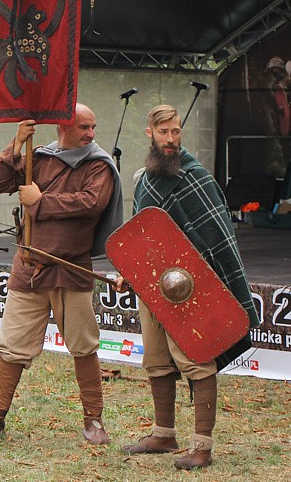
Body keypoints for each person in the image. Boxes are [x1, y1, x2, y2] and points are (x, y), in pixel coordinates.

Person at [0, 103, 122, 445]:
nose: (91, 133)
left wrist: (41, 201)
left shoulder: (98, 165)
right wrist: (16, 144)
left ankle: (93, 420)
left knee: (83, 346)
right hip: (30, 267)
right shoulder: (39, 158)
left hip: (71, 268)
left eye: (93, 126)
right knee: (11, 346)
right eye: (84, 127)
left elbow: (91, 203)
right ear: (63, 127)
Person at [119, 104, 260, 470]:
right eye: (163, 132)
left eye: (176, 131)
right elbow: (141, 236)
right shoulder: (143, 179)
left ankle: (202, 446)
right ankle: (164, 434)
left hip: (189, 289)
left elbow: (215, 239)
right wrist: (130, 272)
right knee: (156, 361)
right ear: (149, 133)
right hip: (152, 288)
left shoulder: (196, 177)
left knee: (197, 359)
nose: (171, 139)